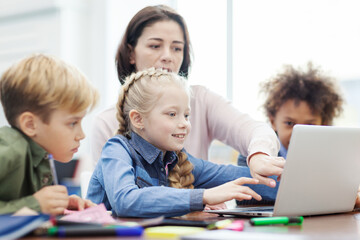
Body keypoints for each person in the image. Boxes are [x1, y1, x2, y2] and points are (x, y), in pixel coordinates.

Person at [91, 5, 284, 187]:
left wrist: (259, 155)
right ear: (131, 53)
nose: (168, 56)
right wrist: (202, 198)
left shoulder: (201, 100)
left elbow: (255, 130)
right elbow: (122, 198)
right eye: (155, 46)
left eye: (177, 48)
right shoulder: (107, 123)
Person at [87, 68, 278, 218]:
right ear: (138, 119)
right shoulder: (116, 150)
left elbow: (234, 178)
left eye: (186, 115)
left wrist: (282, 180)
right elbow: (125, 201)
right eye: (172, 114)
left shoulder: (179, 160)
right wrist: (203, 196)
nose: (184, 124)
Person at [0, 54, 99, 215]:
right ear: (30, 124)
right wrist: (35, 205)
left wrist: (60, 204)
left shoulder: (43, 155)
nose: (81, 135)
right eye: (72, 123)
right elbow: (32, 205)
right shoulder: (9, 150)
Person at [238, 62, 344, 166]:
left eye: (310, 125)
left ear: (323, 124)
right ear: (273, 121)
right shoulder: (255, 155)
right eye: (289, 123)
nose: (298, 133)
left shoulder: (333, 157)